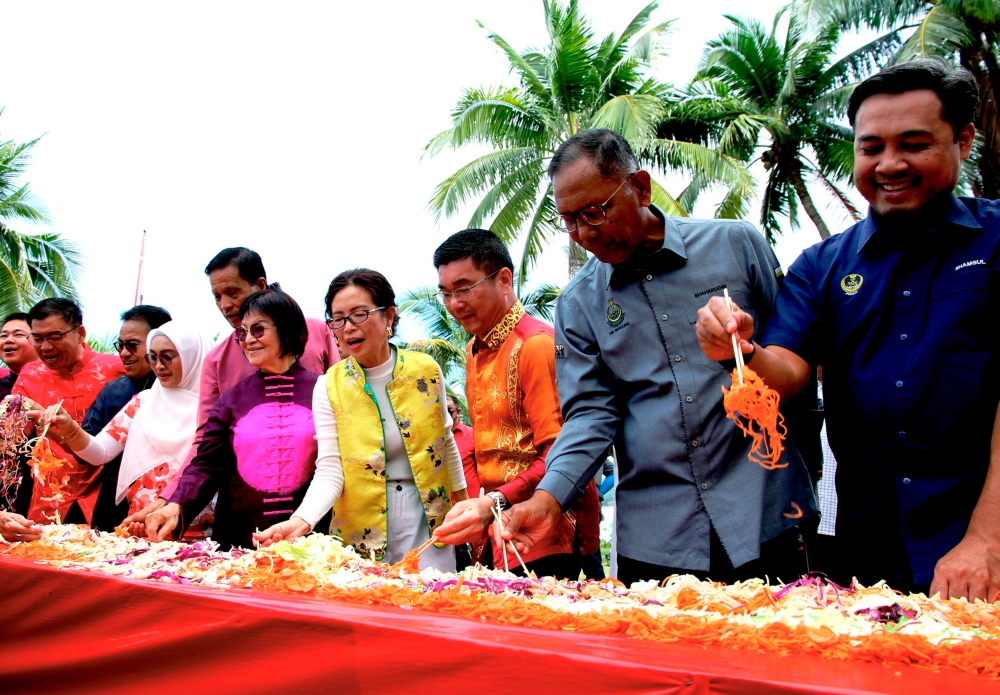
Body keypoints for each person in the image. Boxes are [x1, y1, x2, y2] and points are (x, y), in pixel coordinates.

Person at [695, 59, 1000, 600]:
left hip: (983, 551)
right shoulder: (821, 266)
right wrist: (738, 348)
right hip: (872, 553)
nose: (890, 164)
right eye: (871, 147)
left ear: (964, 140)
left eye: (914, 143)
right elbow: (785, 371)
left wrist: (986, 540)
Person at [500, 130, 817, 587]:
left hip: (766, 512)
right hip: (657, 538)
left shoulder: (737, 246)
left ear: (641, 188)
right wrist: (549, 498)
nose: (585, 233)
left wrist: (808, 471)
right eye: (569, 220)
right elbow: (590, 415)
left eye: (596, 211)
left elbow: (794, 366)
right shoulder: (578, 303)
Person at [253, 269, 469, 571]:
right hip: (360, 528)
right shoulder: (329, 386)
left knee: (431, 606)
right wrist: (301, 520)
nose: (348, 327)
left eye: (359, 314)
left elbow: (445, 444)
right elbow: (330, 468)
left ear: (389, 315)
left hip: (429, 521)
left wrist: (464, 506)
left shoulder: (426, 370)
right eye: (338, 318)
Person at [431, 230, 601, 579]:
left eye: (463, 289)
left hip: (548, 532)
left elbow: (559, 454)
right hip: (501, 531)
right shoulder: (474, 349)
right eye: (446, 293)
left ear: (504, 279)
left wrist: (496, 501)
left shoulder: (535, 345)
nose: (454, 304)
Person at [127, 248, 339, 526]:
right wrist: (175, 503)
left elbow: (334, 462)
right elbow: (207, 457)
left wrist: (305, 520)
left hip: (311, 531)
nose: (248, 339)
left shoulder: (324, 383)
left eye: (258, 330)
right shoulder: (227, 389)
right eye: (243, 332)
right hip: (239, 528)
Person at [41, 321, 207, 532]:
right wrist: (69, 428)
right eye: (153, 357)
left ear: (193, 356)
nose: (158, 365)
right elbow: (99, 453)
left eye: (168, 356)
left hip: (197, 527)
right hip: (140, 523)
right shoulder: (142, 403)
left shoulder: (216, 408)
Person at [13, 298, 126, 525]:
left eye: (55, 337)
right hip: (50, 494)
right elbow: (15, 436)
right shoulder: (30, 374)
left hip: (105, 490)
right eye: (37, 338)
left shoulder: (117, 369)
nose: (45, 347)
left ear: (80, 333)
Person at [83, 305, 172, 530]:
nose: (123, 353)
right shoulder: (113, 391)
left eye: (132, 345)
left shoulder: (197, 396)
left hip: (168, 507)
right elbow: (91, 448)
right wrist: (63, 429)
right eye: (120, 345)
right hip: (115, 501)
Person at [1, 313, 37, 399]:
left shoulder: (60, 381)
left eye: (18, 334)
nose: (8, 340)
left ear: (39, 339)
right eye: (3, 336)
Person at [446, 395, 477, 497]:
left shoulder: (472, 435)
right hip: (441, 504)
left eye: (447, 409)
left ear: (458, 412)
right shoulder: (431, 438)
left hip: (468, 501)